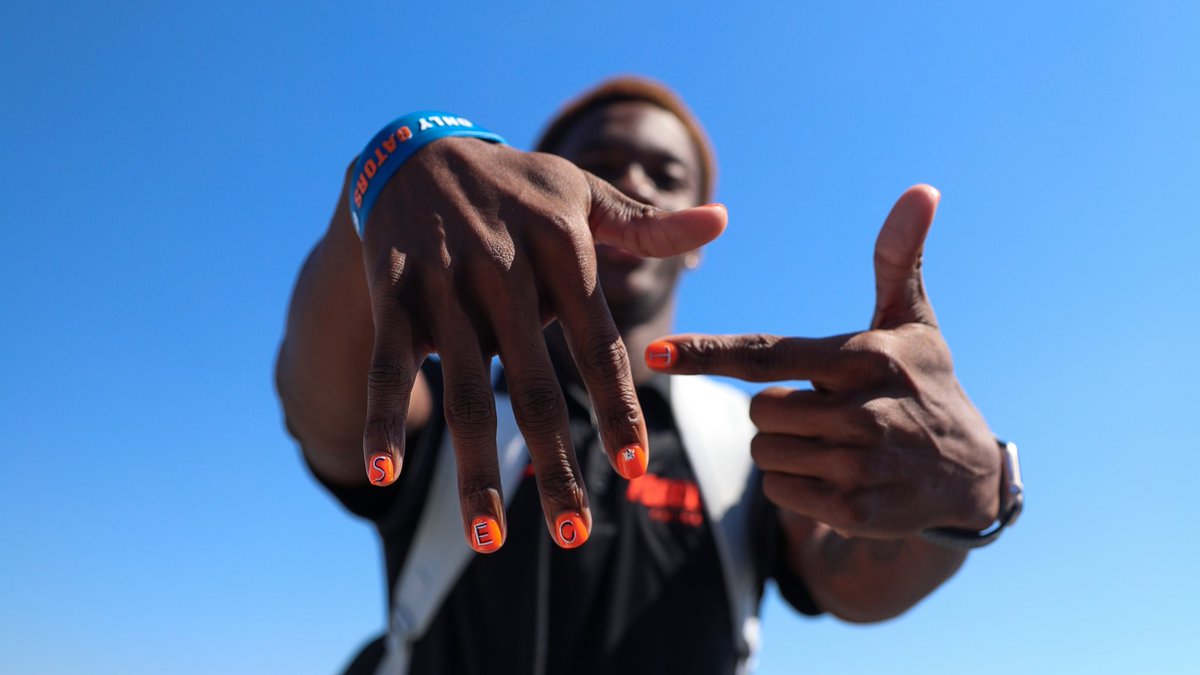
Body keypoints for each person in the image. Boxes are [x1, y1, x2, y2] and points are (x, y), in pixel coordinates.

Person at [276, 77, 1018, 675]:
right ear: (527, 194)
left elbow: (846, 582)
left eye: (665, 174)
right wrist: (388, 176)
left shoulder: (744, 437)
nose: (629, 179)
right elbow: (317, 409)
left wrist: (966, 496)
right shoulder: (450, 401)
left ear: (693, 244)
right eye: (595, 166)